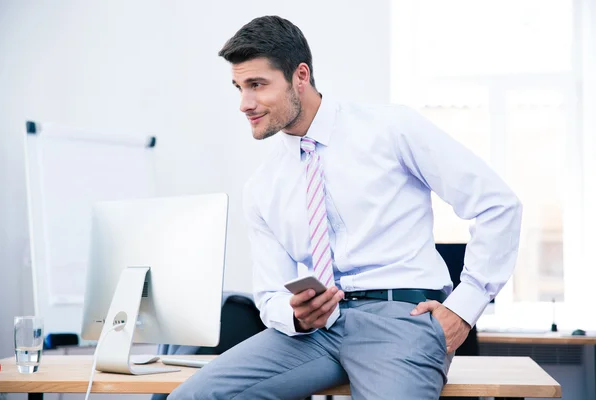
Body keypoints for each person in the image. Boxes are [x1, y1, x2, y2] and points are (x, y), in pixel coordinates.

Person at [169, 15, 522, 400]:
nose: (244, 104)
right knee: (192, 397)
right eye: (239, 87)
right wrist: (297, 316)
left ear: (299, 76)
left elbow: (498, 205)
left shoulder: (391, 129)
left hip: (400, 320)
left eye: (257, 85)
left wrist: (463, 309)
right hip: (315, 334)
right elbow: (269, 294)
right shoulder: (262, 187)